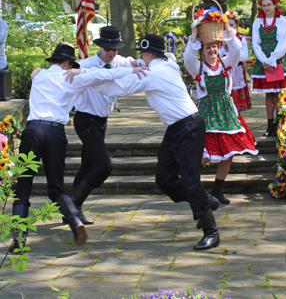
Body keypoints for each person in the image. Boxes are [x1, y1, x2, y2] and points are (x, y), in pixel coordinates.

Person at [75, 34, 221, 250]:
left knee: (190, 180)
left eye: (142, 53)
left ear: (149, 53)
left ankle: (211, 231)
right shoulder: (166, 63)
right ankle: (206, 202)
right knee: (164, 179)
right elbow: (148, 62)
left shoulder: (154, 73)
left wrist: (84, 76)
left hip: (188, 127)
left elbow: (115, 89)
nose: (140, 57)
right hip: (177, 128)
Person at [10, 43, 147, 252]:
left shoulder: (39, 75)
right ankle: (75, 222)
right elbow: (102, 75)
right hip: (55, 133)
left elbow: (34, 73)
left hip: (33, 131)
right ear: (67, 63)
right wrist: (131, 69)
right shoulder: (72, 77)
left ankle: (19, 239)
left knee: (23, 188)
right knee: (56, 187)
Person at [70, 26, 140, 225]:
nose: (111, 53)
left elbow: (134, 62)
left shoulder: (119, 61)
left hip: (101, 121)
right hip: (85, 120)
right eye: (108, 49)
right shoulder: (85, 64)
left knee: (87, 165)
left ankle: (73, 208)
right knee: (103, 165)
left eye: (115, 49)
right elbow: (66, 74)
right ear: (100, 47)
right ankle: (74, 204)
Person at [184, 20, 258, 205]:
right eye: (207, 47)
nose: (211, 50)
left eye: (214, 47)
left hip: (226, 112)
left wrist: (226, 28)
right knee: (206, 153)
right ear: (202, 50)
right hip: (207, 113)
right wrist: (194, 34)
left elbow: (237, 50)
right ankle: (189, 183)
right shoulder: (198, 68)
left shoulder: (227, 64)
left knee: (229, 152)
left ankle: (217, 190)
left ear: (219, 47)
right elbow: (187, 57)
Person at [251, 0, 286, 137]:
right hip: (264, 60)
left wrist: (272, 59)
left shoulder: (282, 21)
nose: (266, 8)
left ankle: (280, 124)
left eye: (269, 5)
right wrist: (264, 60)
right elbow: (255, 43)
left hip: (278, 60)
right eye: (263, 6)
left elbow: (283, 42)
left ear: (275, 5)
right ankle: (269, 125)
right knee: (269, 94)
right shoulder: (257, 22)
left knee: (279, 94)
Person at [219, 11, 252, 111]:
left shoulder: (240, 37)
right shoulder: (220, 37)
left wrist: (232, 51)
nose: (229, 28)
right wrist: (224, 48)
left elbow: (245, 57)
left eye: (232, 25)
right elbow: (216, 56)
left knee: (237, 101)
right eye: (227, 25)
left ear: (237, 25)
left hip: (237, 70)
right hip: (223, 70)